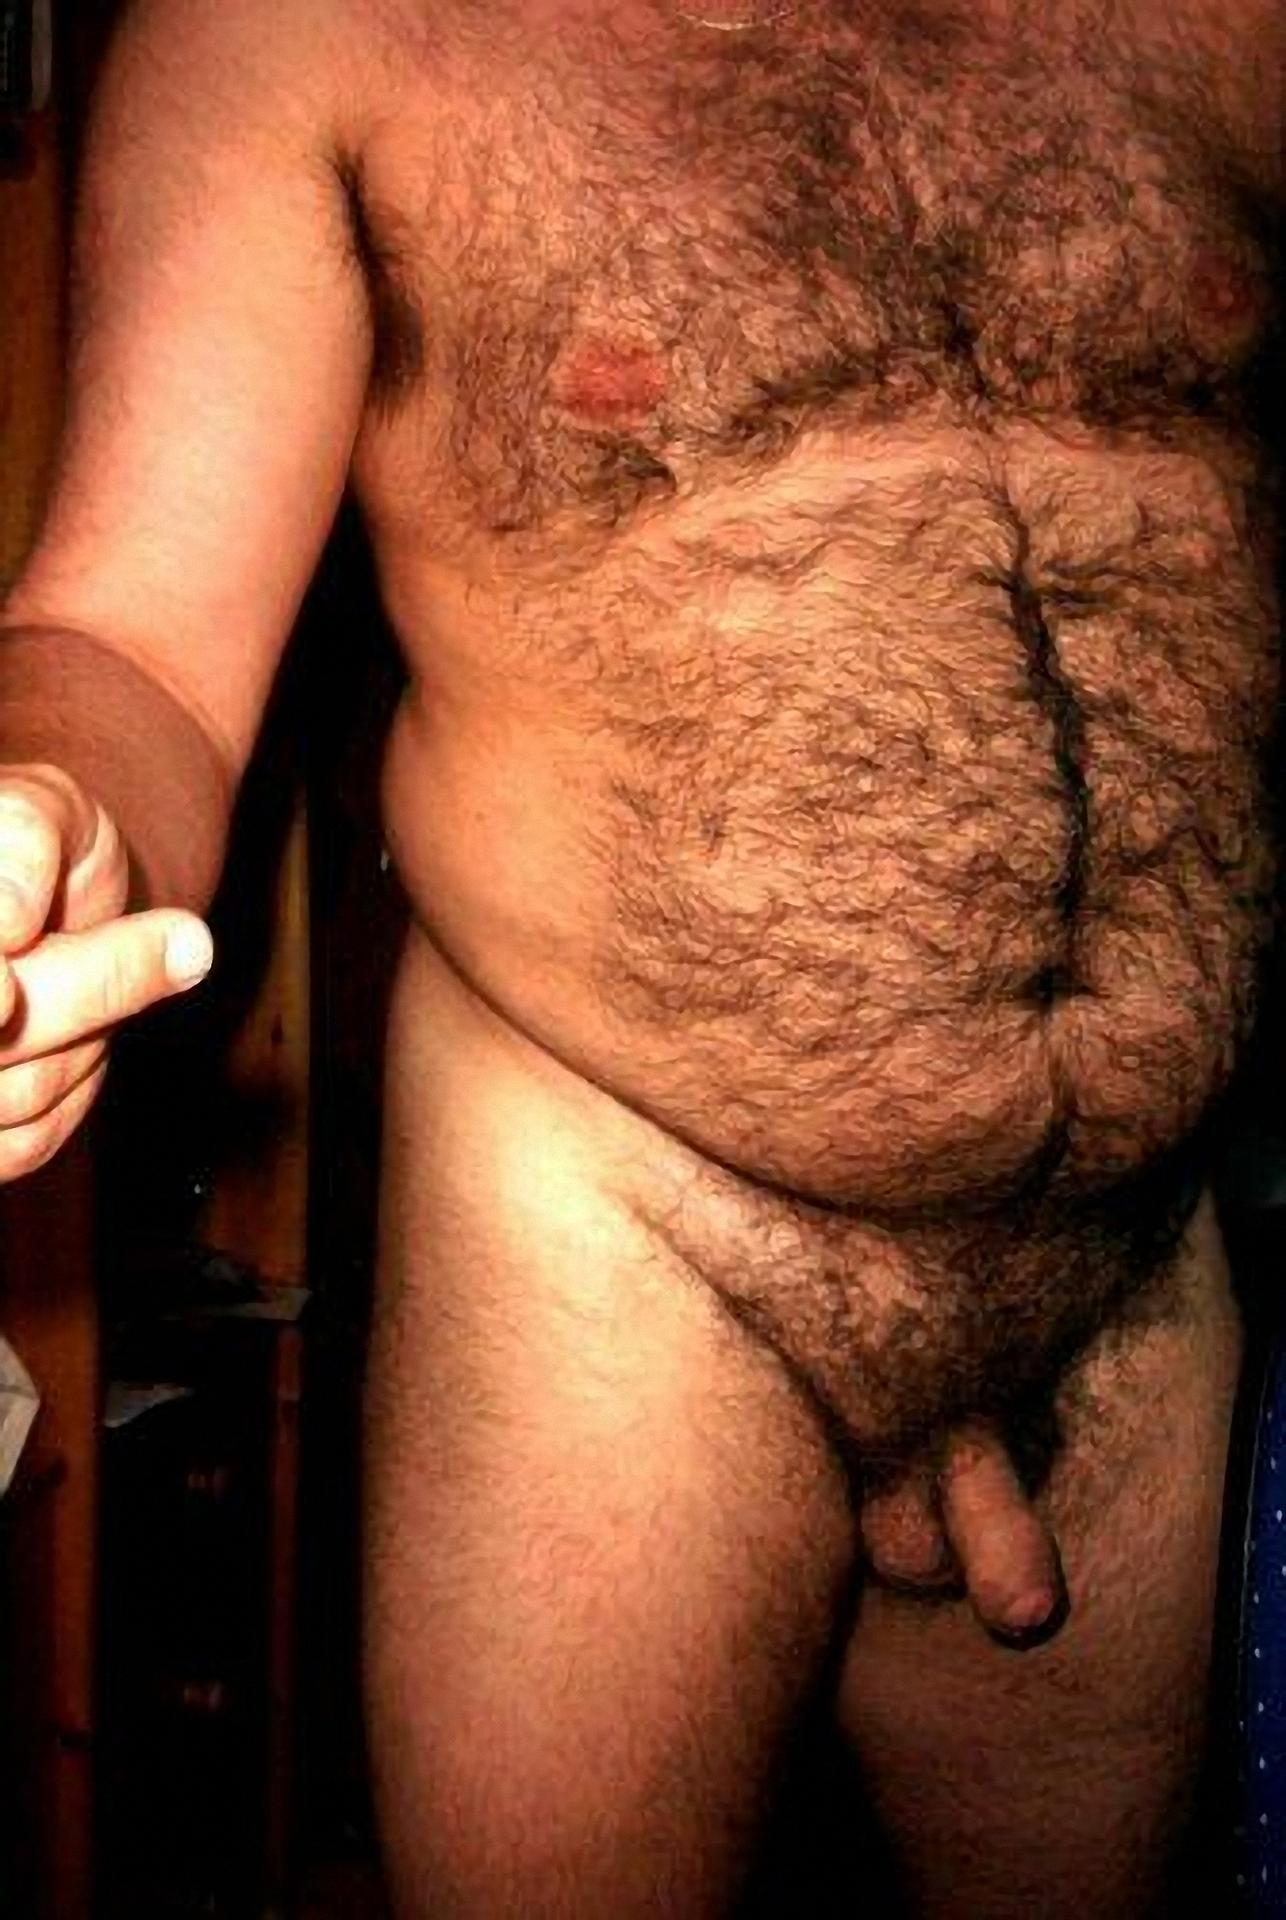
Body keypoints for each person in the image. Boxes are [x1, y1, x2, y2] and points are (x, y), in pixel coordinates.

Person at [0, 0, 1279, 1910]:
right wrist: (52, 825)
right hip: (630, 1241)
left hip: (1122, 1269)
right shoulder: (294, 28)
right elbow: (137, 647)